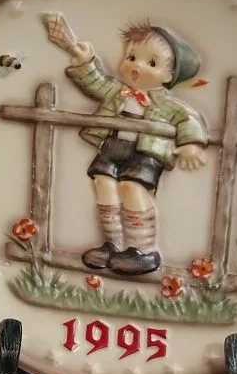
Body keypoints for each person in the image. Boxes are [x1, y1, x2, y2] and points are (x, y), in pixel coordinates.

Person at [42, 14, 208, 276]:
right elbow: (96, 83)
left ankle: (142, 250)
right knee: (103, 184)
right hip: (113, 146)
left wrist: (191, 144)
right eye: (131, 57)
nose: (136, 66)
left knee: (131, 188)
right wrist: (83, 59)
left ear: (169, 75)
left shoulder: (167, 105)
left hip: (144, 153)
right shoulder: (117, 91)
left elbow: (188, 119)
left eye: (151, 63)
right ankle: (113, 245)